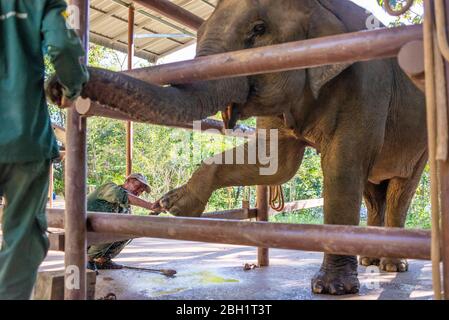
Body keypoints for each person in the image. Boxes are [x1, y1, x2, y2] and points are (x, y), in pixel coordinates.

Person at [0, 0, 89, 299]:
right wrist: (71, 85)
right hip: (23, 137)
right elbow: (63, 46)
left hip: (24, 141)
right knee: (22, 238)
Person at [87, 173, 156, 272]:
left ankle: (102, 261)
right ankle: (87, 260)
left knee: (128, 231)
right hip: (82, 230)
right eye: (137, 186)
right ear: (127, 181)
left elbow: (129, 224)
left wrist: (153, 215)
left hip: (95, 232)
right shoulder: (109, 187)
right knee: (112, 228)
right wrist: (151, 206)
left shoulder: (125, 207)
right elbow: (122, 196)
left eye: (141, 191)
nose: (138, 191)